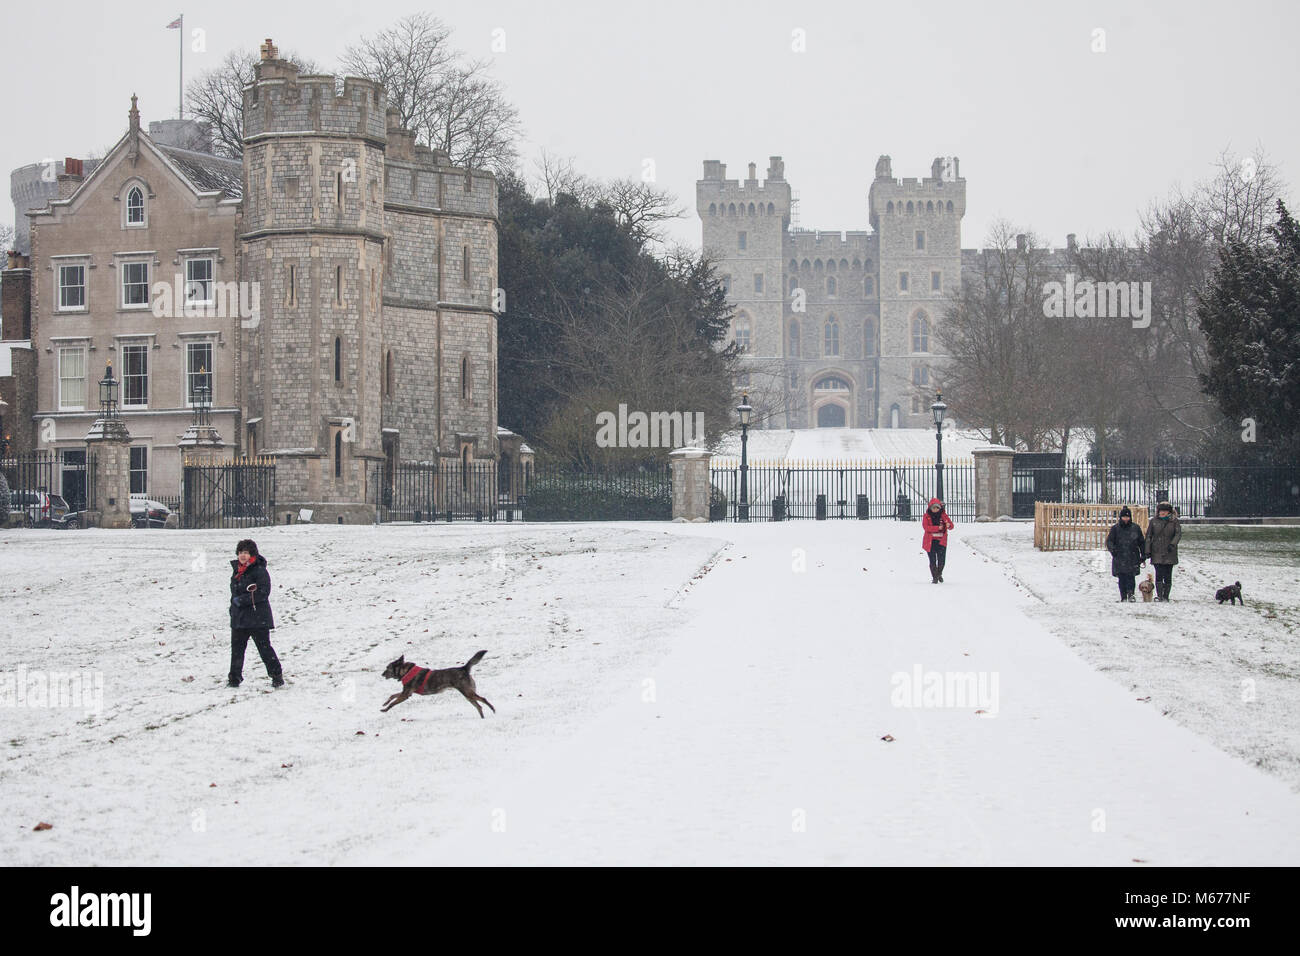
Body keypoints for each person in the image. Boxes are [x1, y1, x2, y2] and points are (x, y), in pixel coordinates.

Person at [228, 539, 284, 687]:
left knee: (264, 649)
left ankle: (276, 675)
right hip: (239, 618)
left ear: (252, 554)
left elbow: (263, 592)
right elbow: (234, 594)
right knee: (237, 650)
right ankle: (234, 678)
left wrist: (242, 600)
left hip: (257, 617)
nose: (242, 556)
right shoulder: (237, 571)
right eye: (240, 552)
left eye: (246, 553)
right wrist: (232, 608)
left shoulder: (259, 570)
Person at [1105, 505, 1146, 602]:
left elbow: (1141, 542)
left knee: (1131, 577)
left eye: (1127, 517)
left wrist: (1143, 554)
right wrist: (1113, 550)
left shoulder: (1135, 528)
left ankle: (1131, 594)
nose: (1126, 519)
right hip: (1119, 556)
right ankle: (1123, 596)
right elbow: (1109, 541)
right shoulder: (1115, 528)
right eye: (1124, 517)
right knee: (1122, 577)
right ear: (1120, 517)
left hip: (1132, 556)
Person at [1145, 501, 1182, 602]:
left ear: (1169, 512)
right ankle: (1159, 595)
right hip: (1156, 551)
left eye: (1164, 511)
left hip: (1169, 552)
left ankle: (1166, 596)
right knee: (1159, 573)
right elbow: (1149, 536)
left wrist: (1172, 544)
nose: (1162, 513)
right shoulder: (1153, 521)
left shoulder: (1174, 521)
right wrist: (1147, 550)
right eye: (1160, 511)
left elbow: (1178, 534)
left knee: (1168, 574)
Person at [921, 498, 954, 583]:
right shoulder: (926, 516)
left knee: (941, 560)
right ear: (930, 508)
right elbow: (926, 527)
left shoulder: (944, 516)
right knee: (932, 560)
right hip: (930, 541)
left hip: (941, 541)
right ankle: (935, 577)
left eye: (937, 507)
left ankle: (939, 573)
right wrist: (937, 528)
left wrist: (948, 525)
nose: (935, 509)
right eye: (933, 507)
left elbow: (951, 526)